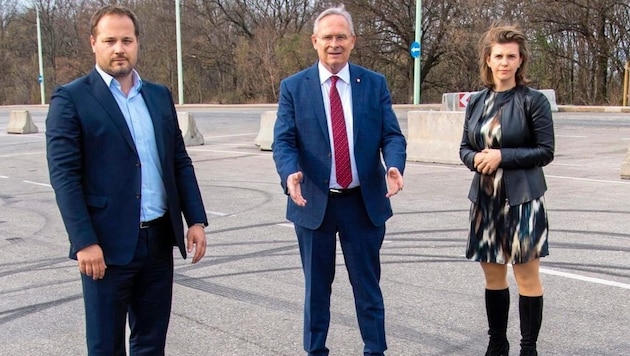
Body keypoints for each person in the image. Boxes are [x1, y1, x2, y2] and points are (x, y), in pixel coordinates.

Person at [45, 5, 208, 355]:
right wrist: (84, 241)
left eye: (127, 40)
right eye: (110, 40)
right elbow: (65, 177)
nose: (119, 48)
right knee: (105, 346)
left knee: (151, 343)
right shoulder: (71, 99)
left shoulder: (158, 95)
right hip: (104, 248)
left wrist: (195, 218)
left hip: (158, 240)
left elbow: (179, 161)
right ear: (94, 43)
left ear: (137, 44)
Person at [272, 4, 406, 356]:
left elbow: (392, 135)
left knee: (367, 288)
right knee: (317, 290)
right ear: (315, 41)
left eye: (341, 37)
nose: (335, 43)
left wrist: (393, 164)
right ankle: (316, 351)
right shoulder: (293, 87)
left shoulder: (373, 84)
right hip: (314, 202)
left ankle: (374, 350)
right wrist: (289, 173)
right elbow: (283, 140)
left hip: (363, 203)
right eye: (328, 37)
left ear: (353, 41)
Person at [459, 24, 555, 356]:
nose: (504, 62)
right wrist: (476, 159)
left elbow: (546, 151)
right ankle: (497, 343)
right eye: (498, 55)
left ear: (520, 60)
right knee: (493, 277)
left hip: (523, 200)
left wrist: (503, 156)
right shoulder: (476, 102)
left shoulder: (534, 101)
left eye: (510, 56)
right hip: (485, 201)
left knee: (527, 277)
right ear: (488, 59)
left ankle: (529, 348)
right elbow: (464, 149)